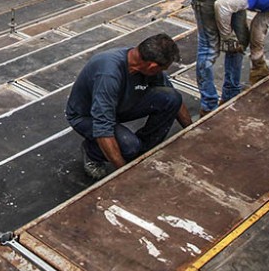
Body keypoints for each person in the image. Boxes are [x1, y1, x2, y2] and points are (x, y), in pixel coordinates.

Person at [66, 34, 193, 178]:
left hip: (119, 104)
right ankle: (92, 152)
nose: (161, 73)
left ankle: (143, 151)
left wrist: (193, 130)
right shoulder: (109, 74)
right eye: (161, 69)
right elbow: (103, 126)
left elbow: (171, 96)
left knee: (171, 97)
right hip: (87, 115)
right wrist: (126, 174)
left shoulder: (145, 62)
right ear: (152, 66)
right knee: (129, 146)